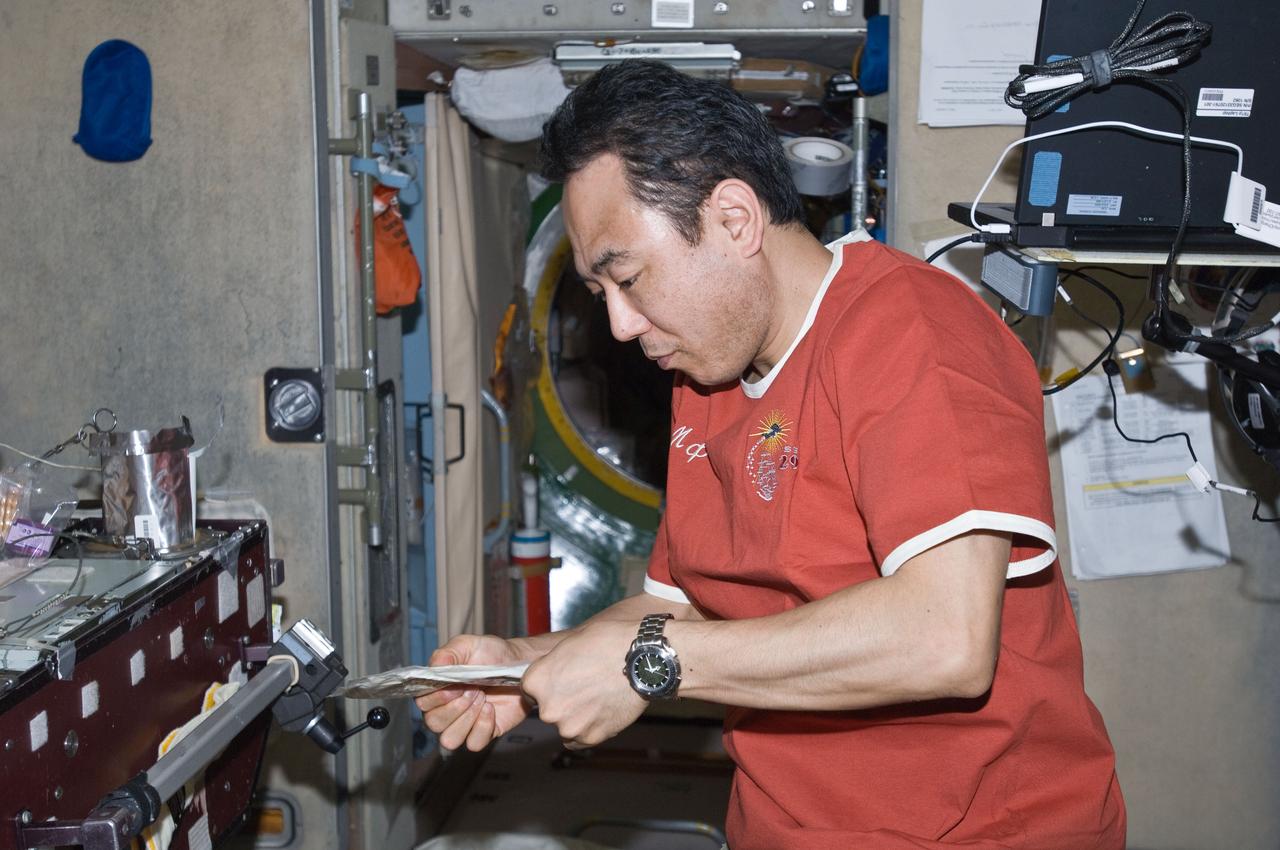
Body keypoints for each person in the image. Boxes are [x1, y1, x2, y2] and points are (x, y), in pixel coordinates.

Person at [418, 59, 1126, 849]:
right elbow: (685, 608)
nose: (620, 325)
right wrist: (527, 664)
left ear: (734, 219)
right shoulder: (708, 374)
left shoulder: (913, 331)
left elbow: (944, 638)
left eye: (630, 278)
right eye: (599, 294)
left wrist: (648, 666)